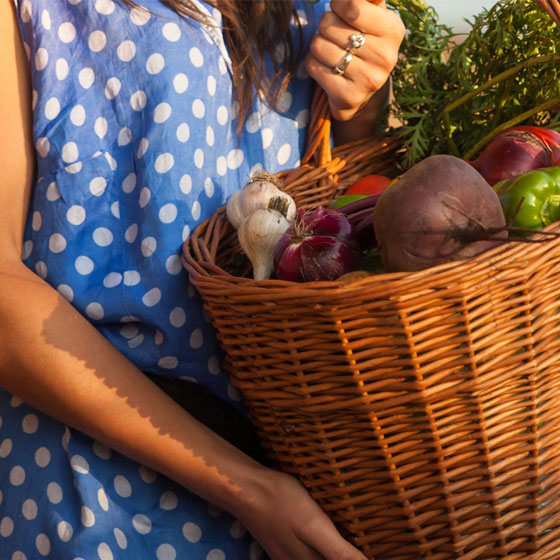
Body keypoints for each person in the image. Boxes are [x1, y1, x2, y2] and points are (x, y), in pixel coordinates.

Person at [0, 0, 404, 558]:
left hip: (298, 487)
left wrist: (362, 94)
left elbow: (333, 204)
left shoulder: (301, 9)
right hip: (94, 493)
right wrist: (244, 486)